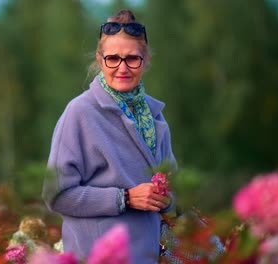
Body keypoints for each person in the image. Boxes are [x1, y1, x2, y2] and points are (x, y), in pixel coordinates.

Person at [42, 9, 176, 264]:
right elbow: (56, 194)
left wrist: (167, 198)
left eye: (132, 59)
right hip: (95, 257)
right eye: (112, 58)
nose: (122, 68)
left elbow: (175, 190)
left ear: (145, 60)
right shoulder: (79, 112)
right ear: (100, 59)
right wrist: (124, 198)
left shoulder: (155, 115)